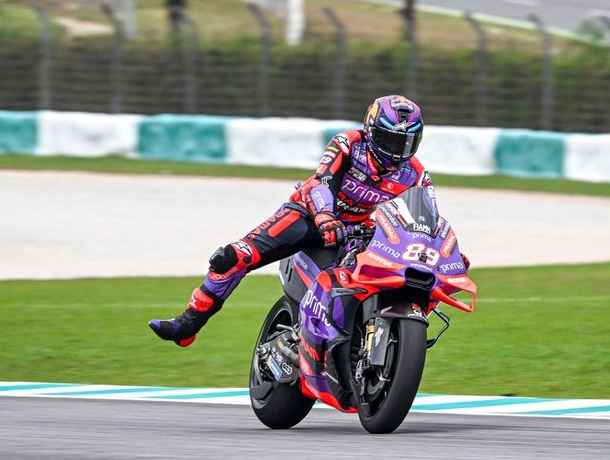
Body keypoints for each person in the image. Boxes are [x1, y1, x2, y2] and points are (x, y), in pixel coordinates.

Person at [149, 94, 432, 347]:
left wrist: (437, 246)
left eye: (405, 142)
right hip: (307, 215)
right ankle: (189, 323)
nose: (396, 150)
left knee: (407, 274)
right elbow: (324, 181)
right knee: (231, 257)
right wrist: (324, 216)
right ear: (371, 131)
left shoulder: (416, 174)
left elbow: (426, 214)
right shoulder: (348, 144)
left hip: (361, 229)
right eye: (389, 139)